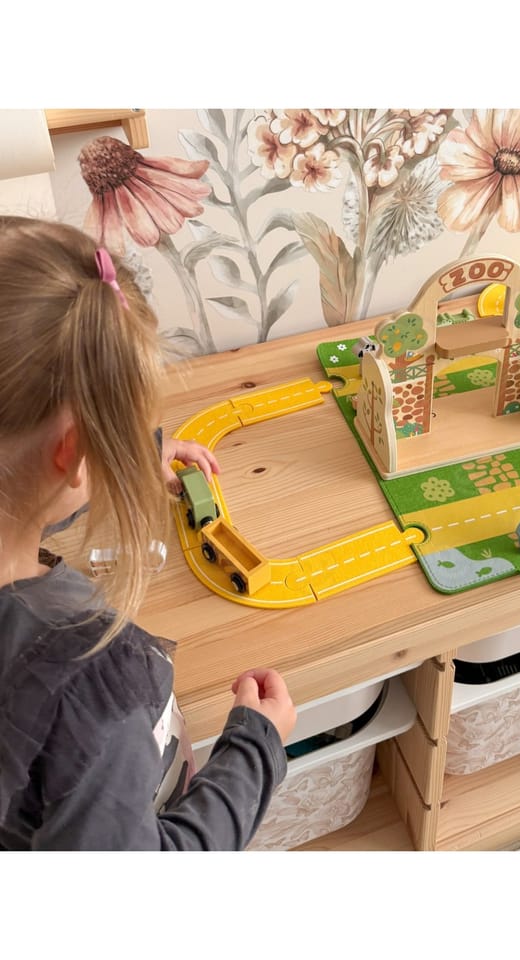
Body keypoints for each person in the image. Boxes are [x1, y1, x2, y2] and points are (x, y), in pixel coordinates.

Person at [0, 216, 296, 850]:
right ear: (78, 452)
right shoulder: (87, 686)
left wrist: (125, 455)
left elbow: (22, 488)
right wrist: (255, 748)